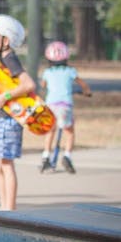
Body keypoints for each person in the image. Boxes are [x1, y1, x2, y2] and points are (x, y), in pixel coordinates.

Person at [0, 14, 34, 211]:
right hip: (2, 118)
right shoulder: (1, 60)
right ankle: (4, 205)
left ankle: (9, 207)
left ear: (6, 39)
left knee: (5, 163)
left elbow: (28, 84)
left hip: (9, 119)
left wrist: (4, 96)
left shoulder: (9, 58)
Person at [39, 40, 92, 174]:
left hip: (50, 105)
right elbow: (83, 84)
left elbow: (43, 85)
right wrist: (87, 92)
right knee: (69, 131)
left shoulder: (47, 72)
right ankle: (67, 156)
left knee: (51, 131)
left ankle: (45, 157)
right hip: (65, 105)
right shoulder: (70, 71)